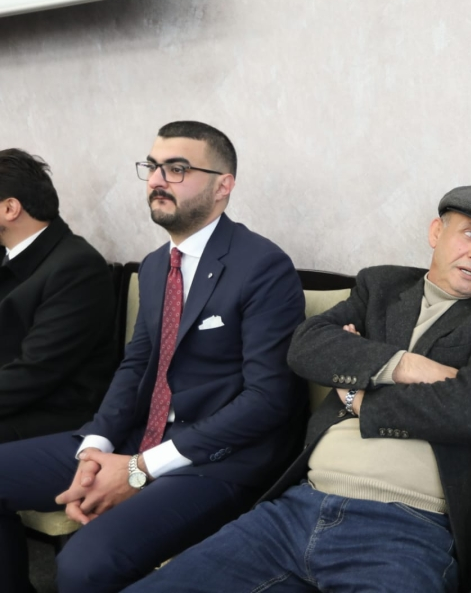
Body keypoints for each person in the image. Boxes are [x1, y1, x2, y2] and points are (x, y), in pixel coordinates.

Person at [125, 185, 471, 593]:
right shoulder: (381, 286)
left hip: (408, 527)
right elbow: (305, 347)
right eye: (469, 234)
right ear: (437, 232)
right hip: (297, 509)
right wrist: (404, 365)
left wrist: (356, 395)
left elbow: (469, 410)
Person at [0, 121, 305, 593]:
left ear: (223, 186)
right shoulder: (157, 263)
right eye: (153, 166)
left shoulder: (263, 266)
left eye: (177, 168)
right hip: (138, 438)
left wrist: (140, 468)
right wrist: (97, 446)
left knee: (83, 565)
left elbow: (268, 400)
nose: (158, 179)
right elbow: (136, 365)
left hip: (215, 460)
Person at [0, 149, 117, 442]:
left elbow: (34, 373)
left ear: (10, 209)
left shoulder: (77, 267)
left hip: (49, 416)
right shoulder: (8, 253)